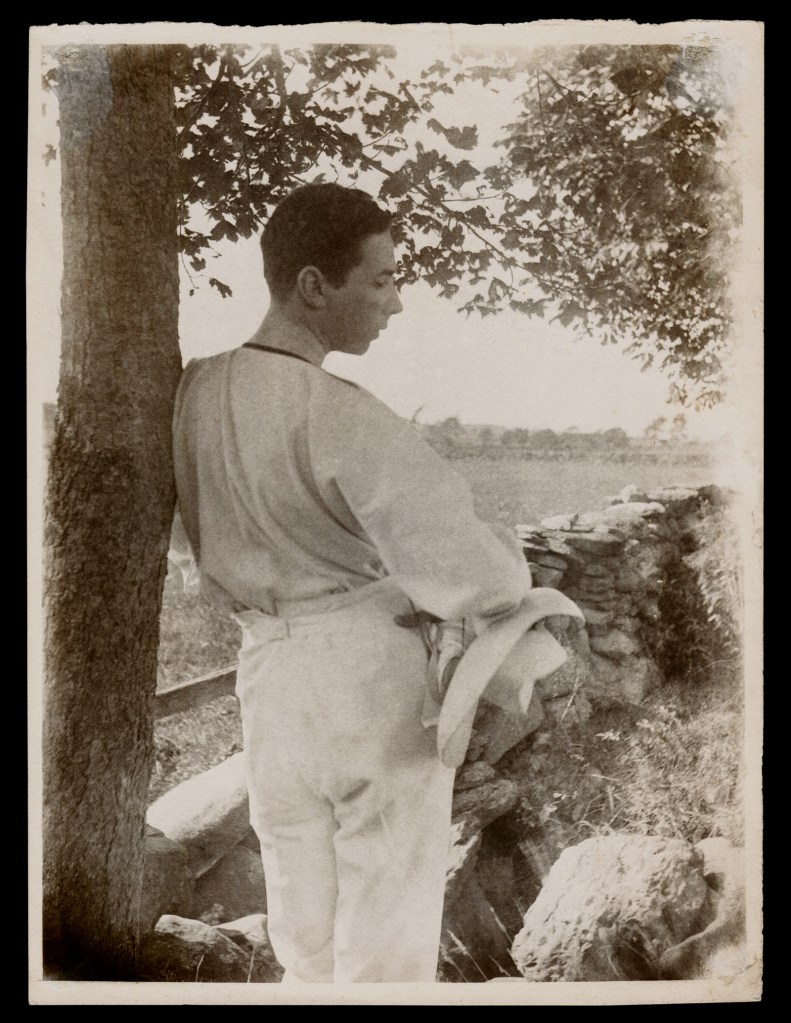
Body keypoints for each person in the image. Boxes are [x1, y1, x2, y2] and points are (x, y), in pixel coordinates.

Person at [171, 182, 538, 984]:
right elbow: (473, 573)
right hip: (365, 680)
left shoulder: (199, 389)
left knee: (301, 922)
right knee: (385, 932)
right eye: (381, 280)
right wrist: (511, 565)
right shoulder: (340, 412)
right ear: (312, 285)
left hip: (268, 676)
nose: (396, 302)